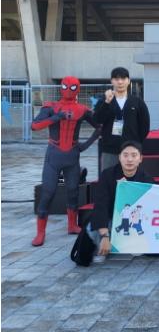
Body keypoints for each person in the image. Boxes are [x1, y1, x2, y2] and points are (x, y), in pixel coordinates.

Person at [31, 76, 101, 246]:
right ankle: (40, 233)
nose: (68, 90)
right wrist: (57, 117)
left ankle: (72, 225)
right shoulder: (51, 107)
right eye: (66, 86)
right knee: (47, 192)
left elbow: (100, 126)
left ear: (78, 89)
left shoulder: (82, 110)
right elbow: (35, 126)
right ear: (61, 87)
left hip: (72, 157)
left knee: (73, 191)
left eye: (72, 87)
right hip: (54, 156)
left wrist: (84, 145)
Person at [88, 141, 154, 264]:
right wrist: (104, 236)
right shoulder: (107, 175)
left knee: (140, 247)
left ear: (140, 159)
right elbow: (100, 204)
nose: (129, 159)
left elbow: (150, 207)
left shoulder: (146, 179)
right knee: (91, 228)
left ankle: (122, 245)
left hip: (133, 220)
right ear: (119, 157)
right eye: (125, 155)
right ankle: (102, 248)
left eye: (134, 155)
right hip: (111, 218)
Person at [93, 67, 150, 171]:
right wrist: (107, 103)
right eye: (116, 79)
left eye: (123, 79)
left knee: (131, 178)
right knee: (108, 177)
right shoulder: (104, 100)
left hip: (131, 151)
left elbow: (145, 126)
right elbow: (97, 120)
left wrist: (136, 143)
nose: (120, 82)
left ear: (128, 81)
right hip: (110, 150)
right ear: (112, 81)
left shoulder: (137, 102)